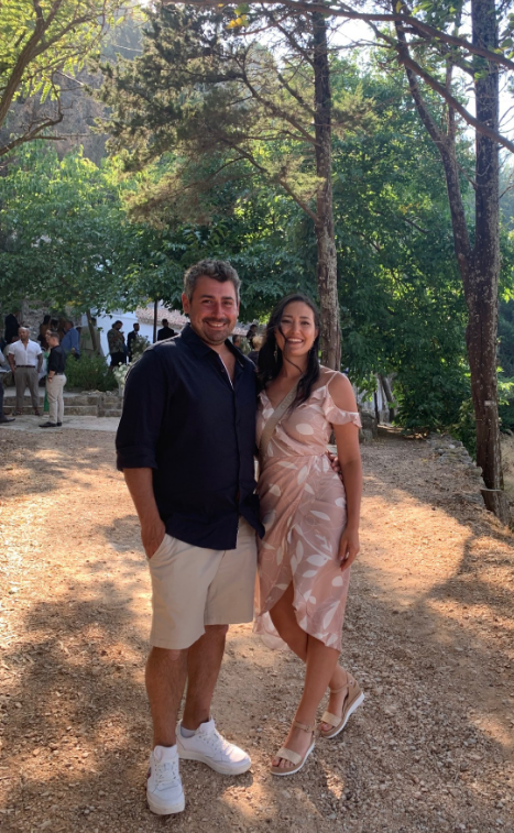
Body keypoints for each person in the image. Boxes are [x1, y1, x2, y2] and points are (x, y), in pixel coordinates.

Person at [116, 260, 263, 816]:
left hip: (235, 526)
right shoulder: (161, 364)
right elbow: (135, 451)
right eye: (207, 301)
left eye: (227, 302)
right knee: (172, 641)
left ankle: (197, 728)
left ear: (237, 307)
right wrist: (152, 528)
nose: (218, 312)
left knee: (215, 628)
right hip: (180, 530)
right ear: (187, 304)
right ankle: (163, 754)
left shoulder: (245, 370)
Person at [254, 293, 364, 777]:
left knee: (321, 612)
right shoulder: (257, 383)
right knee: (280, 611)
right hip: (271, 504)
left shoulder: (333, 384)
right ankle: (341, 684)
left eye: (306, 323)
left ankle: (302, 727)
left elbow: (352, 460)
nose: (296, 330)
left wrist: (354, 525)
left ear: (317, 332)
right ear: (275, 330)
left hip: (322, 504)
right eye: (287, 322)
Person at [8, 327, 43, 415]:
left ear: (28, 333)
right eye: (20, 332)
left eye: (23, 332)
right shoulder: (14, 345)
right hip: (19, 368)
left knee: (34, 390)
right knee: (19, 390)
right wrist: (13, 368)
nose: (21, 334)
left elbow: (40, 357)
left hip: (32, 368)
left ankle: (37, 408)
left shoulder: (35, 345)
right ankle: (18, 409)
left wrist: (38, 369)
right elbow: (10, 357)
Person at [39, 330, 66, 428]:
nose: (48, 342)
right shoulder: (61, 350)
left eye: (49, 340)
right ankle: (59, 419)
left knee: (52, 399)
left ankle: (52, 420)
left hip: (55, 376)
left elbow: (54, 365)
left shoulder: (54, 351)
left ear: (54, 339)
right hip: (62, 375)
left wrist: (50, 376)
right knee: (59, 398)